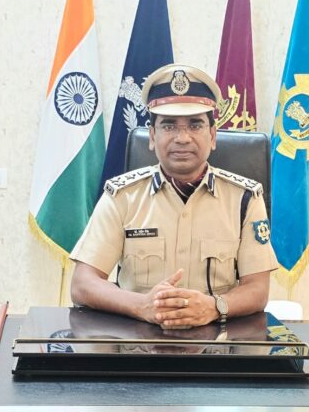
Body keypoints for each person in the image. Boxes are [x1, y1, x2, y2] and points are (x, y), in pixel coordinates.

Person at [70, 64, 278, 328]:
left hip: (216, 341)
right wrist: (141, 305)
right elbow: (83, 283)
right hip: (138, 341)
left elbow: (257, 289)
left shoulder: (245, 199)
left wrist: (214, 307)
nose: (182, 138)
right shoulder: (122, 196)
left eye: (195, 125)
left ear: (213, 135)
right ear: (152, 136)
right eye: (169, 126)